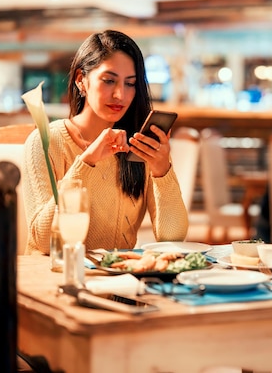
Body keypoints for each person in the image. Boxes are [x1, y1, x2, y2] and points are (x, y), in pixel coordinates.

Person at [23, 30, 188, 254]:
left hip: (119, 280)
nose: (120, 94)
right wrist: (87, 162)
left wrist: (162, 171)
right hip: (57, 278)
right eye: (109, 80)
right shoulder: (47, 141)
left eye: (130, 84)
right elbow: (43, 241)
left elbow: (173, 237)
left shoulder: (139, 144)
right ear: (81, 80)